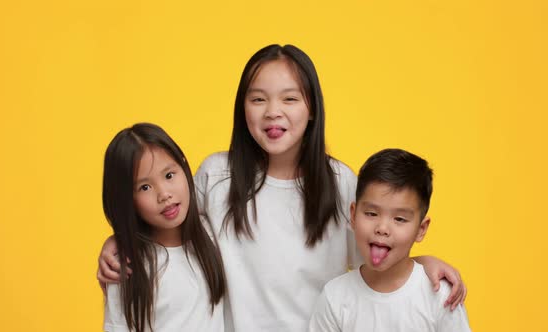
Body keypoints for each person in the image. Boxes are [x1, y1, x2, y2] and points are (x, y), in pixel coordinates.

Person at [97, 45, 466, 332]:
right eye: (258, 99)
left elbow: (379, 253)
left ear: (311, 110)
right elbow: (170, 225)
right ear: (243, 109)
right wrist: (119, 241)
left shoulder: (340, 183)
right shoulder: (216, 176)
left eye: (290, 98)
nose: (273, 112)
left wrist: (421, 262)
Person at [309, 148, 471, 331]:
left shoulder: (439, 295)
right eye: (371, 213)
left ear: (421, 229)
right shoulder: (335, 298)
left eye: (399, 219)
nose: (382, 228)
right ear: (353, 216)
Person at [101, 123, 226, 331]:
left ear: (184, 168)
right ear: (126, 199)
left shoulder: (213, 232)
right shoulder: (128, 267)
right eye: (145, 187)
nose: (164, 194)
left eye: (169, 175)